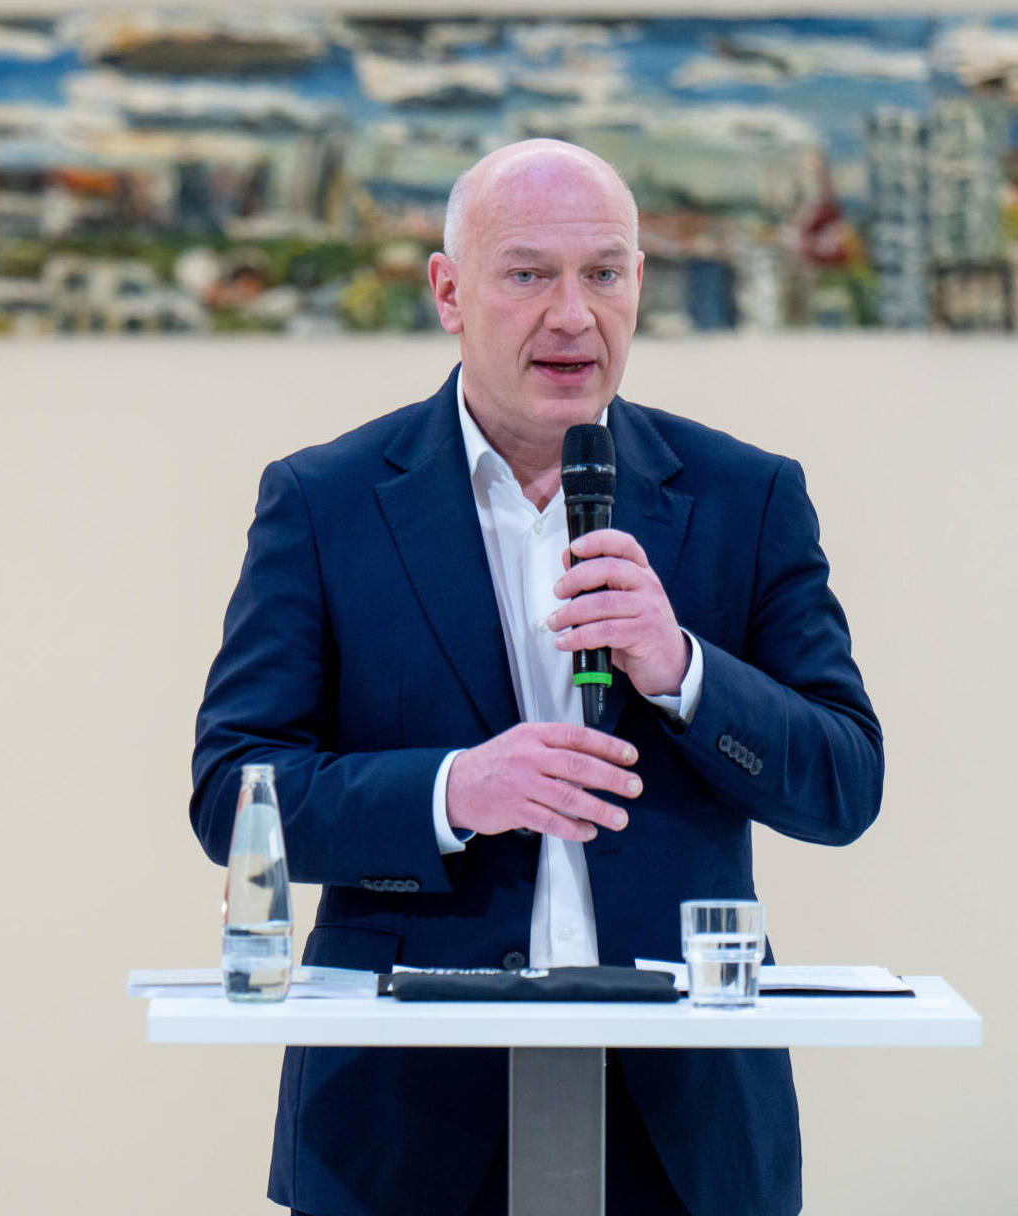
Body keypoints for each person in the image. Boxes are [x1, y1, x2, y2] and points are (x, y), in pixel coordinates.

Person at [189, 140, 881, 1216]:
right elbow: (235, 791)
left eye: (604, 273)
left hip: (684, 1127)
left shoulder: (747, 497)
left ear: (640, 285)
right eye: (528, 274)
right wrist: (451, 791)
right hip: (405, 1121)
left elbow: (844, 784)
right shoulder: (326, 503)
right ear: (449, 291)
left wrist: (685, 669)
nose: (572, 314)